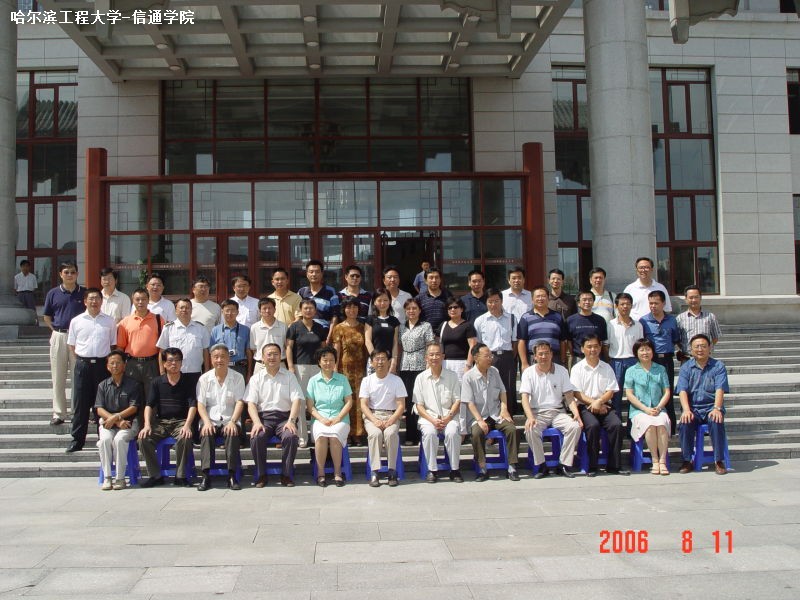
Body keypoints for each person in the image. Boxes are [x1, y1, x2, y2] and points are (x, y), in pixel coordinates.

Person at [245, 343, 305, 487]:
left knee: (291, 436)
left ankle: (286, 474)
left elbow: (297, 400)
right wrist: (256, 422)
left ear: (281, 356)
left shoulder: (289, 376)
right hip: (263, 419)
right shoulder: (256, 378)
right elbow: (251, 404)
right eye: (269, 354)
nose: (272, 357)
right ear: (262, 358)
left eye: (276, 354)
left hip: (284, 418)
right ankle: (261, 474)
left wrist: (291, 421)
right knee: (256, 437)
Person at [520, 340, 582, 479]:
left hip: (558, 412)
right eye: (540, 354)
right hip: (537, 413)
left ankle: (564, 464)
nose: (544, 356)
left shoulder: (562, 370)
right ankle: (541, 465)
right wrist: (530, 417)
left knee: (575, 426)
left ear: (552, 354)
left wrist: (576, 414)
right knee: (530, 429)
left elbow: (569, 396)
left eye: (546, 353)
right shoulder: (528, 372)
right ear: (535, 356)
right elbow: (524, 398)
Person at [570, 335, 629, 476]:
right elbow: (576, 393)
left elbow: (611, 391)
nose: (593, 349)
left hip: (605, 405)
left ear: (601, 348)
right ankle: (592, 465)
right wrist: (594, 403)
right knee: (593, 426)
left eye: (596, 346)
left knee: (616, 425)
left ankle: (614, 465)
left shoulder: (606, 367)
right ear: (582, 349)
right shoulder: (577, 368)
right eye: (589, 346)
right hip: (585, 406)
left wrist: (600, 402)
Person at [138, 348, 197, 488]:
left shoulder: (188, 381)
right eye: (170, 360)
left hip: (181, 422)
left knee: (185, 437)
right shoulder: (157, 382)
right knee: (143, 439)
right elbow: (149, 405)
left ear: (181, 363)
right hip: (161, 422)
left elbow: (193, 405)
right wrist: (147, 425)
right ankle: (155, 475)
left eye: (177, 360)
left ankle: (180, 476)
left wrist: (187, 425)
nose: (174, 363)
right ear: (164, 363)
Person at [66, 288, 116, 453]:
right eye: (91, 298)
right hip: (83, 365)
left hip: (102, 366)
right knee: (80, 404)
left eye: (97, 298)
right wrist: (83, 360)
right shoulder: (76, 321)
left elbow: (113, 345)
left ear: (102, 301)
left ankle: (103, 438)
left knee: (102, 403)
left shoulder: (109, 321)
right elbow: (72, 345)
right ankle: (77, 440)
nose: (94, 302)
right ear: (85, 301)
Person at [461, 344, 520, 482]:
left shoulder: (494, 371)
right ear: (476, 358)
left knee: (512, 429)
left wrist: (504, 409)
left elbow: (503, 391)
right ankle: (482, 467)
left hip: (496, 414)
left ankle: (512, 466)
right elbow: (469, 402)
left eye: (491, 356)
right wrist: (480, 420)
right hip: (479, 415)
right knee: (477, 432)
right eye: (487, 356)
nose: (490, 358)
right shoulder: (468, 377)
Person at [676, 334, 730, 475]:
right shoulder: (686, 367)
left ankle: (718, 460)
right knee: (685, 423)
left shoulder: (718, 366)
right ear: (691, 349)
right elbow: (682, 390)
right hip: (693, 408)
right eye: (697, 347)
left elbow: (720, 389)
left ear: (710, 348)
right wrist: (686, 410)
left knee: (716, 421)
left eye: (703, 346)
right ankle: (687, 460)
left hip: (711, 406)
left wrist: (717, 408)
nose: (700, 349)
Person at [195, 343, 246, 491]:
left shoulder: (237, 378)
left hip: (230, 419)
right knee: (206, 433)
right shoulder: (204, 379)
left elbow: (240, 402)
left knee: (232, 432)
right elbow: (201, 405)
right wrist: (206, 422)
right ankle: (206, 475)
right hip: (210, 420)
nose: (219, 360)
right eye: (216, 357)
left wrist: (233, 421)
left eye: (223, 356)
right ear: (211, 359)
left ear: (228, 358)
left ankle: (232, 475)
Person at [43, 261, 85, 426]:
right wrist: (55, 330)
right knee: (58, 376)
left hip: (79, 339)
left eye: (73, 272)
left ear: (77, 274)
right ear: (61, 274)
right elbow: (47, 316)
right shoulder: (53, 293)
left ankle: (77, 412)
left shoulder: (84, 293)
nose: (69, 275)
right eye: (66, 272)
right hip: (59, 336)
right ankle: (59, 413)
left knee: (78, 377)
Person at [414, 342, 463, 483]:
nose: (434, 357)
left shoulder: (452, 376)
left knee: (452, 433)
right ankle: (432, 470)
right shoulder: (420, 378)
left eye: (437, 354)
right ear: (426, 358)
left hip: (450, 416)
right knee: (429, 433)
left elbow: (457, 400)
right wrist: (433, 420)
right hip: (428, 418)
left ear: (443, 356)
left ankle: (455, 469)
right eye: (431, 355)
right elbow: (419, 405)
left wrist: (448, 417)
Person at [95, 350, 142, 490]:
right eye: (112, 363)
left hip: (128, 423)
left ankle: (120, 478)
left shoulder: (133, 384)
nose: (115, 366)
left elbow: (134, 407)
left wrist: (118, 417)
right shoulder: (102, 385)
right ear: (107, 366)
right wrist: (115, 421)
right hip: (108, 423)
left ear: (124, 365)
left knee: (119, 440)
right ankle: (107, 477)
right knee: (104, 440)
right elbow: (99, 409)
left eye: (118, 363)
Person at [306, 346, 353, 487]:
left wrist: (338, 418)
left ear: (335, 361)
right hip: (320, 418)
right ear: (319, 362)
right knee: (321, 436)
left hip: (340, 419)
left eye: (331, 360)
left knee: (334, 436)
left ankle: (337, 473)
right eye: (325, 360)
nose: (328, 363)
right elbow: (310, 406)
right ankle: (321, 473)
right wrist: (321, 419)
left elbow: (349, 402)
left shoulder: (342, 379)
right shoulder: (313, 381)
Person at [359, 350, 406, 487]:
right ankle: (374, 472)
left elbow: (401, 405)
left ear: (389, 361)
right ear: (372, 362)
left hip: (391, 415)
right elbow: (363, 405)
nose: (380, 362)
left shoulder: (396, 380)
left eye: (383, 358)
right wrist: (374, 420)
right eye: (377, 359)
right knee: (375, 434)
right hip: (372, 415)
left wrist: (392, 420)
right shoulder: (367, 381)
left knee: (390, 434)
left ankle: (392, 471)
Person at [625, 338, 671, 475]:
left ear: (652, 351)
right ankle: (655, 460)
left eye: (648, 349)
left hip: (658, 409)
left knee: (661, 424)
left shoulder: (660, 369)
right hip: (639, 411)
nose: (645, 352)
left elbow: (667, 392)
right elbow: (629, 394)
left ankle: (662, 461)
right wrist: (645, 409)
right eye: (642, 350)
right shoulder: (631, 370)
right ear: (636, 353)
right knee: (650, 425)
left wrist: (659, 407)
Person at [286, 299, 327, 448]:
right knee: (301, 402)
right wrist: (290, 366)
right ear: (301, 310)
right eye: (305, 308)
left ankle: (317, 435)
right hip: (300, 367)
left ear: (315, 311)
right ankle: (302, 436)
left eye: (311, 308)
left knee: (317, 402)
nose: (308, 311)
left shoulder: (320, 327)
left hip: (317, 368)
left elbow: (323, 348)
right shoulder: (294, 327)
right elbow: (288, 347)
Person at [116, 288, 164, 411]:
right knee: (132, 397)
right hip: (132, 364)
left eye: (143, 299)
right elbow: (120, 347)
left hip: (152, 364)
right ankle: (134, 423)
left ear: (148, 300)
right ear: (133, 301)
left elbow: (162, 347)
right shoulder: (125, 322)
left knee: (151, 397)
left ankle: (150, 422)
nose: (140, 302)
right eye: (137, 299)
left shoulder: (158, 320)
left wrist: (162, 368)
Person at [640, 290, 680, 434]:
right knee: (650, 392)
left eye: (656, 303)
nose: (653, 306)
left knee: (667, 392)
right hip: (651, 361)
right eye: (650, 303)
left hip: (667, 360)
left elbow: (675, 339)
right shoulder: (644, 321)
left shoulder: (672, 320)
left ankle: (671, 428)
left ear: (663, 303)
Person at [474, 288, 518, 416]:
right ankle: (490, 416)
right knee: (490, 387)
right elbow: (478, 344)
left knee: (508, 388)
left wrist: (510, 357)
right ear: (486, 303)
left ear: (502, 301)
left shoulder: (511, 318)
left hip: (507, 357)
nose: (493, 304)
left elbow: (515, 341)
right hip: (488, 358)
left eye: (496, 301)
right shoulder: (480, 321)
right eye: (490, 301)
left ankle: (509, 417)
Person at [331, 297, 368, 445]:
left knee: (359, 400)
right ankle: (345, 432)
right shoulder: (339, 328)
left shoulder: (363, 327)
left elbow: (366, 349)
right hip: (344, 369)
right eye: (348, 307)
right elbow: (337, 349)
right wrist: (334, 369)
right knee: (345, 400)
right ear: (344, 310)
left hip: (360, 369)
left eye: (354, 307)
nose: (352, 310)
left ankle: (357, 433)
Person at [398, 298, 434, 445]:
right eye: (408, 309)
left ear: (419, 310)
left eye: (414, 308)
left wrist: (429, 365)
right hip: (405, 366)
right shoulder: (401, 326)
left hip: (421, 366)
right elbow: (398, 346)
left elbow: (430, 345)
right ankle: (410, 435)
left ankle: (422, 433)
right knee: (408, 401)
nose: (411, 311)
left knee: (420, 399)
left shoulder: (426, 326)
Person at [157, 298, 210, 393]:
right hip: (174, 373)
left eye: (187, 308)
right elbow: (162, 351)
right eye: (181, 307)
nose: (184, 310)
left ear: (191, 310)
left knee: (195, 399)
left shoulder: (201, 328)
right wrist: (162, 372)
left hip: (195, 373)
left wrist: (206, 371)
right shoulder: (168, 328)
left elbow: (205, 351)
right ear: (176, 311)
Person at [607, 292, 644, 418]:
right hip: (616, 362)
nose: (625, 307)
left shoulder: (638, 325)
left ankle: (633, 423)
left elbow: (640, 346)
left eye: (628, 304)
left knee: (635, 393)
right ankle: (616, 422)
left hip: (633, 361)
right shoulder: (611, 324)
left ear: (631, 306)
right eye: (622, 304)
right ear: (616, 306)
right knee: (616, 394)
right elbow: (606, 345)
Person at [518, 286, 568, 368]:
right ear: (532, 299)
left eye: (543, 296)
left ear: (548, 299)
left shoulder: (557, 317)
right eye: (537, 296)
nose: (540, 299)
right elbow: (521, 341)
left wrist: (563, 360)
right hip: (533, 359)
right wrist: (524, 363)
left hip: (554, 358)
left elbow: (562, 341)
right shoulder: (525, 317)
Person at [297, 259, 339, 343]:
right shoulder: (301, 292)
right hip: (304, 335)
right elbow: (298, 314)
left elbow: (335, 316)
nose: (314, 274)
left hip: (324, 334)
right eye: (311, 272)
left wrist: (330, 336)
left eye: (317, 272)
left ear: (322, 274)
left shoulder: (330, 291)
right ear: (307, 274)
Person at [676, 285, 721, 363]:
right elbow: (677, 339)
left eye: (696, 297)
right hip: (687, 359)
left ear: (700, 298)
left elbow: (715, 338)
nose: (693, 300)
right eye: (691, 297)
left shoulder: (710, 317)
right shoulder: (680, 318)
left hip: (706, 360)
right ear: (686, 299)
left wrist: (706, 350)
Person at [210, 299, 251, 379]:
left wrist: (249, 372)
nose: (230, 313)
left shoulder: (245, 330)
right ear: (222, 312)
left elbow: (248, 352)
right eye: (227, 310)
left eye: (233, 310)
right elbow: (211, 353)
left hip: (240, 368)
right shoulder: (215, 330)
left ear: (237, 312)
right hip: (221, 367)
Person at [364, 288, 400, 375]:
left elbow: (395, 342)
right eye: (379, 300)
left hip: (389, 361)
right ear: (374, 302)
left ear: (390, 301)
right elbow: (368, 341)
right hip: (374, 361)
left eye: (385, 300)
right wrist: (376, 358)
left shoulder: (394, 321)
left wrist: (394, 361)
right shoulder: (370, 319)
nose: (382, 303)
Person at [565, 290, 609, 362]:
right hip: (578, 358)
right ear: (578, 303)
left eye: (590, 300)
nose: (587, 302)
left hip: (596, 357)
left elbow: (602, 342)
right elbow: (569, 342)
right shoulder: (570, 320)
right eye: (584, 300)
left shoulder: (600, 320)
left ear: (593, 302)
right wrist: (573, 355)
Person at [440, 298, 477, 381]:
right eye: (450, 308)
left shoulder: (468, 326)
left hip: (462, 364)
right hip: (445, 364)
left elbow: (473, 346)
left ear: (462, 309)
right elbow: (438, 344)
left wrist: (468, 365)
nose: (453, 309)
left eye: (455, 307)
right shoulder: (443, 325)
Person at [249, 297, 288, 374]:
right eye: (264, 308)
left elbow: (286, 346)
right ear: (260, 311)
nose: (267, 311)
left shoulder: (283, 326)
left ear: (275, 309)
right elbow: (253, 348)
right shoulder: (254, 327)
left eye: (270, 308)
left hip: (280, 364)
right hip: (261, 365)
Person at [415, 267, 453, 335]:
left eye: (437, 277)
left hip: (445, 334)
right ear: (426, 280)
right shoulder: (419, 298)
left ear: (440, 279)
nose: (434, 280)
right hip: (425, 335)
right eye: (431, 278)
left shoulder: (448, 296)